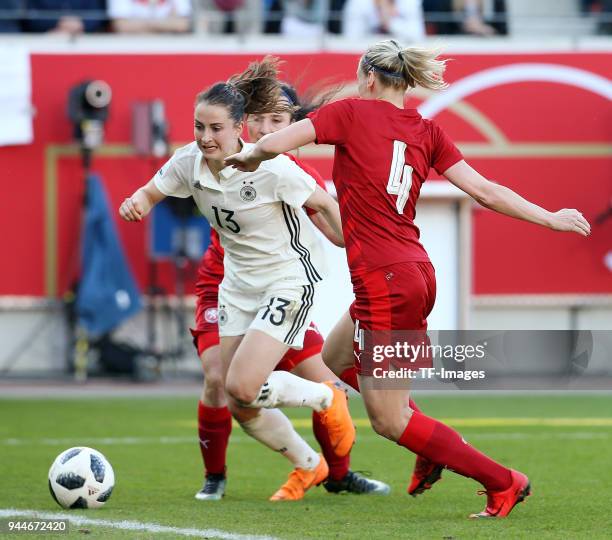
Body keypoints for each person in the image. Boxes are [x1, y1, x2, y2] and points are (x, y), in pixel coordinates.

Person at [224, 40, 591, 518]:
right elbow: (484, 190)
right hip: (412, 271)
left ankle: (504, 481)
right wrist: (550, 217)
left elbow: (280, 142)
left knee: (389, 420)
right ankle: (428, 443)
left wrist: (251, 155)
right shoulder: (428, 130)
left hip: (385, 280)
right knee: (335, 356)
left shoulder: (352, 113)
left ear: (369, 79)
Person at [119, 57, 357, 502]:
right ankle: (310, 465)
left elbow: (325, 206)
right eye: (199, 127)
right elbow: (153, 190)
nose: (206, 137)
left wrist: (353, 245)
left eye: (215, 129)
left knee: (242, 385)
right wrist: (136, 202)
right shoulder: (188, 162)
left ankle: (325, 399)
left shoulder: (271, 167)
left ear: (238, 129)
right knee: (239, 403)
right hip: (237, 287)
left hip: (286, 281)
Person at [190, 81, 391, 501]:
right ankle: (215, 476)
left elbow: (333, 231)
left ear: (295, 126)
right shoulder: (224, 157)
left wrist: (369, 249)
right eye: (258, 120)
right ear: (242, 124)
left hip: (279, 294)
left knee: (333, 391)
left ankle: (336, 474)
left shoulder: (296, 175)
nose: (266, 130)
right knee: (219, 381)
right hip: (225, 288)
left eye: (277, 121)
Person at [108, 0, 191, 33]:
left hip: (170, 51)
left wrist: (140, 24)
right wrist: (167, 24)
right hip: (132, 50)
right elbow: (121, 26)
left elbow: (183, 25)